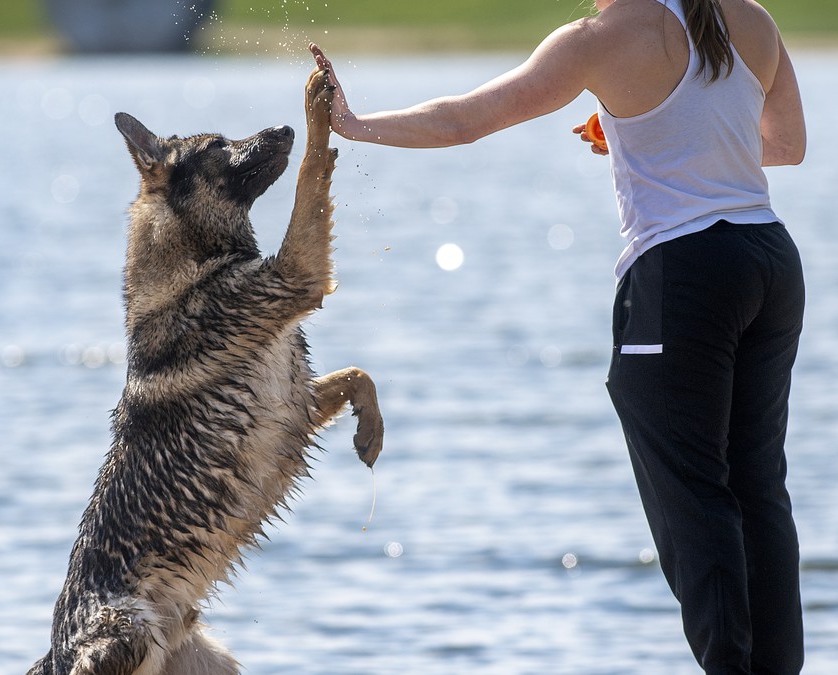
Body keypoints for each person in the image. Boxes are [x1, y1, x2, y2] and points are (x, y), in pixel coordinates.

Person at [310, 0, 807, 672]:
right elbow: (786, 146)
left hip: (679, 276)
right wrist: (650, 131)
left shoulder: (599, 40)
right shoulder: (751, 18)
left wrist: (354, 124)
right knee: (758, 482)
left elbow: (464, 121)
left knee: (693, 486)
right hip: (769, 261)